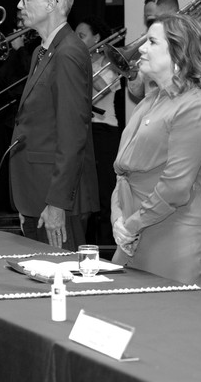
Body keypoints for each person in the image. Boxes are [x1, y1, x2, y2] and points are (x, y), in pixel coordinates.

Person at [111, 13, 201, 293]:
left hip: (184, 230)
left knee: (178, 328)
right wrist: (117, 218)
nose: (141, 48)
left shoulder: (195, 105)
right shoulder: (150, 101)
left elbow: (176, 185)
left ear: (179, 53)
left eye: (151, 42)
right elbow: (122, 171)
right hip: (140, 228)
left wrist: (130, 225)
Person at [10, 0, 99, 249]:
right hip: (34, 191)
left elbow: (73, 134)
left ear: (51, 4)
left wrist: (57, 203)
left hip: (56, 199)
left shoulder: (69, 52)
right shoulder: (42, 51)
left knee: (60, 282)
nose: (19, 5)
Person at [75, 15, 122, 246]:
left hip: (104, 132)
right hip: (85, 129)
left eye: (81, 36)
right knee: (85, 195)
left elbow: (102, 92)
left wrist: (85, 66)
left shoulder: (109, 62)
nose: (76, 39)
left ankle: (106, 247)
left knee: (104, 195)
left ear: (96, 38)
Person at [128, 0, 180, 102]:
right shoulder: (145, 43)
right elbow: (139, 92)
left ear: (172, 14)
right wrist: (133, 76)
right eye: (148, 22)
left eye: (152, 20)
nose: (150, 26)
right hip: (152, 108)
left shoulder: (187, 42)